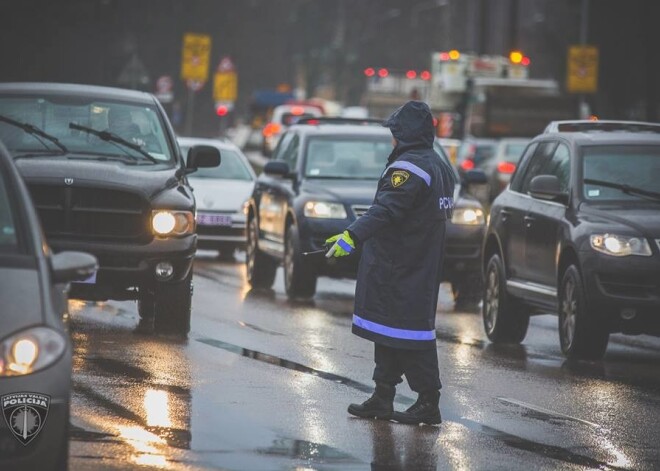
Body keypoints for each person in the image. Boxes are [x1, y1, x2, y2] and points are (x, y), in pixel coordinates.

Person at [325, 101, 456, 425]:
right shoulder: (438, 164)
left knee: (413, 335)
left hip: (401, 263)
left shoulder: (408, 168)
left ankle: (428, 401)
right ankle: (382, 396)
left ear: (405, 134)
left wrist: (351, 236)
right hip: (417, 261)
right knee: (389, 329)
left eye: (394, 133)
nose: (391, 140)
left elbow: (385, 210)